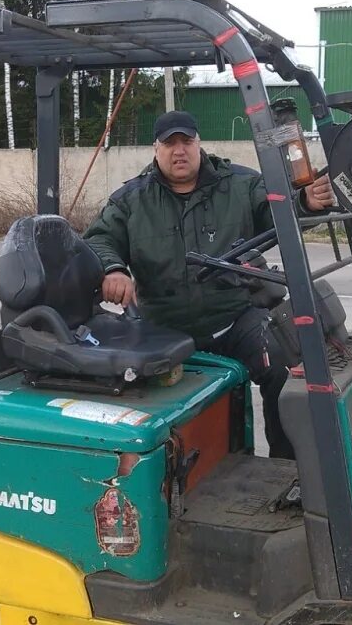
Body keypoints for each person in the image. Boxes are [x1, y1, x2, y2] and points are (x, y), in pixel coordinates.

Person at [83, 110, 335, 459]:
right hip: (164, 327)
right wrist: (113, 269)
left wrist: (306, 203)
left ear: (199, 144)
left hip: (234, 316)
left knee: (283, 365)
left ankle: (285, 469)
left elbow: (280, 212)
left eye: (186, 141)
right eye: (169, 144)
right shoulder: (131, 199)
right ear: (156, 150)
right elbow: (98, 239)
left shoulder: (242, 184)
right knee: (129, 388)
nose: (179, 151)